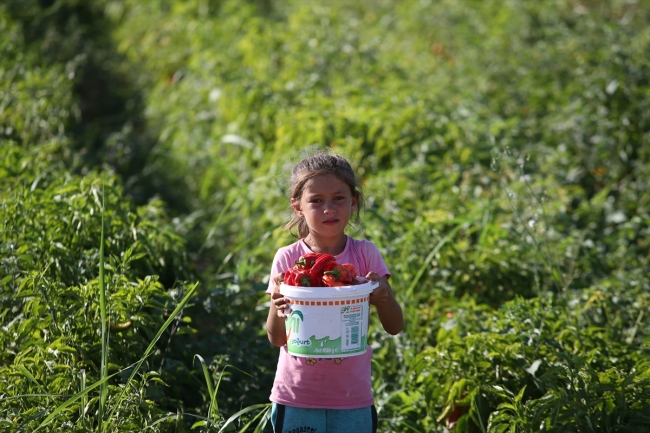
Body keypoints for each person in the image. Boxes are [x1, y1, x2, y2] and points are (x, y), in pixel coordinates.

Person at [266, 151, 404, 433]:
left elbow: (395, 326)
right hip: (296, 395)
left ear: (353, 202)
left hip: (352, 397)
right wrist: (278, 303)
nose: (328, 208)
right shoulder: (288, 259)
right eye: (316, 200)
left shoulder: (366, 254)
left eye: (338, 198)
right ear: (298, 206)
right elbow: (277, 337)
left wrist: (383, 296)